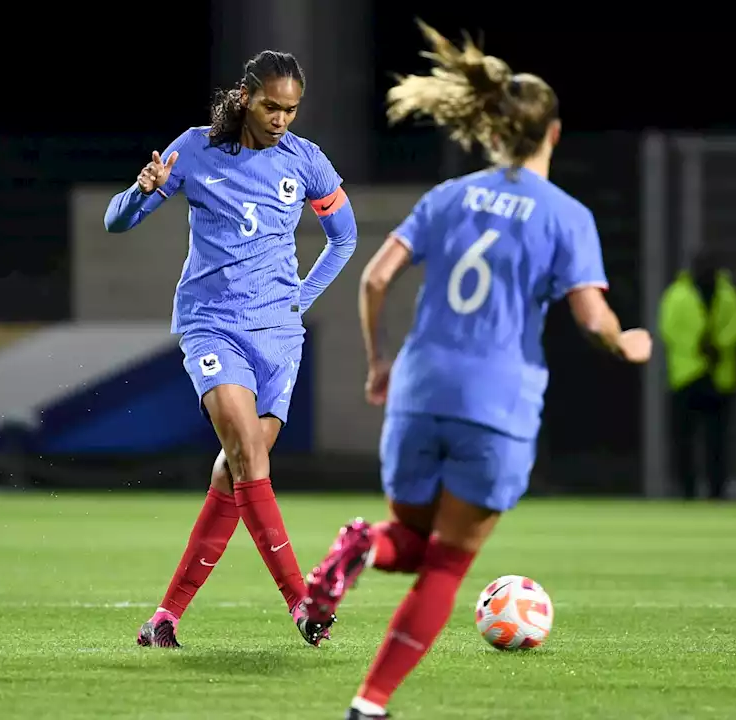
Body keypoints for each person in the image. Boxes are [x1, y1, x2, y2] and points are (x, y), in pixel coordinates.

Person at [298, 21, 652, 719]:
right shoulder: (566, 216)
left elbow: (374, 279)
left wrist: (378, 365)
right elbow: (590, 318)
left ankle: (362, 546)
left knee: (411, 540)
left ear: (491, 132)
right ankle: (369, 704)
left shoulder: (448, 197)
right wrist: (626, 343)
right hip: (496, 401)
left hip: (419, 390)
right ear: (552, 134)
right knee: (448, 565)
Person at [103, 50, 357, 649]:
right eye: (272, 106)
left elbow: (343, 237)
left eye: (291, 110)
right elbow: (117, 221)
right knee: (246, 450)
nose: (281, 120)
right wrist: (142, 193)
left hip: (279, 337)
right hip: (212, 325)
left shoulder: (306, 162)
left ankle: (164, 617)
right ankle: (302, 601)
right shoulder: (194, 149)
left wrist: (301, 296)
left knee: (235, 469)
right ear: (245, 97)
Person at [658, 248, 736, 499]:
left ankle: (717, 491)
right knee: (684, 439)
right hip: (687, 376)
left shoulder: (728, 295)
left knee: (717, 440)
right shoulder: (677, 295)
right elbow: (669, 328)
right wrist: (698, 345)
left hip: (719, 377)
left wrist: (719, 345)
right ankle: (687, 491)